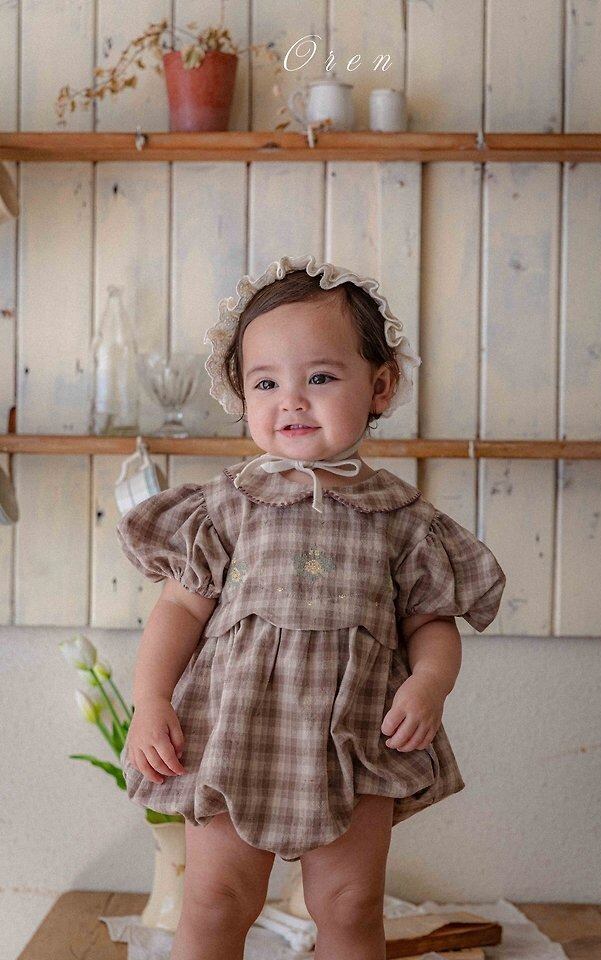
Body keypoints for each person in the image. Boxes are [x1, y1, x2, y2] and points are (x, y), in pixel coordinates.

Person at [116, 253, 507, 960]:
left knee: (350, 904)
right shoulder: (228, 505)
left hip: (353, 734)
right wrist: (150, 699)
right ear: (241, 394)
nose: (291, 401)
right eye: (266, 383)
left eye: (320, 378)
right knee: (215, 899)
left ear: (380, 386)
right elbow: (178, 610)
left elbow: (432, 623)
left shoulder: (401, 519)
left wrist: (429, 683)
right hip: (233, 729)